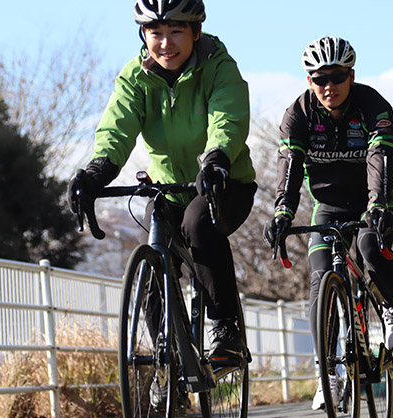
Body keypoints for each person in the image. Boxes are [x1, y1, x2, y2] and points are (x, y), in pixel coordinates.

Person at [67, 1, 257, 368]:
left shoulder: (218, 66)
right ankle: (167, 361)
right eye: (155, 33)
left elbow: (228, 118)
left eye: (176, 32)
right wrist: (95, 172)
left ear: (195, 32)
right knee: (154, 259)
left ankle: (226, 329)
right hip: (169, 189)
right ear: (143, 35)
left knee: (198, 223)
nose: (165, 43)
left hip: (224, 182)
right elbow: (116, 130)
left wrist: (217, 157)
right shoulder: (135, 77)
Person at [263, 36, 393, 411]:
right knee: (319, 278)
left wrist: (378, 205)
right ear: (309, 80)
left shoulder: (373, 106)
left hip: (373, 201)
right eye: (318, 79)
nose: (328, 86)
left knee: (367, 246)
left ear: (351, 75)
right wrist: (283, 211)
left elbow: (380, 158)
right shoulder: (298, 113)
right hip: (328, 206)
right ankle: (326, 371)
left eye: (336, 77)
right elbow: (290, 168)